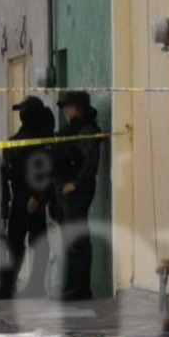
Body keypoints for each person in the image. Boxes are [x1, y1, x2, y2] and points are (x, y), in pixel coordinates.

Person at [0, 97, 56, 300]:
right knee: (14, 243)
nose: (22, 116)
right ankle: (7, 286)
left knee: (39, 242)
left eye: (26, 112)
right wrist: (6, 205)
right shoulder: (17, 140)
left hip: (33, 199)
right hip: (18, 198)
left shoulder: (41, 141)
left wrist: (39, 198)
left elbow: (46, 172)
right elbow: (6, 173)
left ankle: (36, 285)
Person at [52, 91, 103, 302]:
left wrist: (75, 184)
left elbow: (90, 163)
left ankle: (81, 288)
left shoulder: (87, 131)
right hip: (65, 190)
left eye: (69, 107)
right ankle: (72, 286)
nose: (66, 111)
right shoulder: (70, 130)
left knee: (78, 240)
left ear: (79, 108)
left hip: (77, 192)